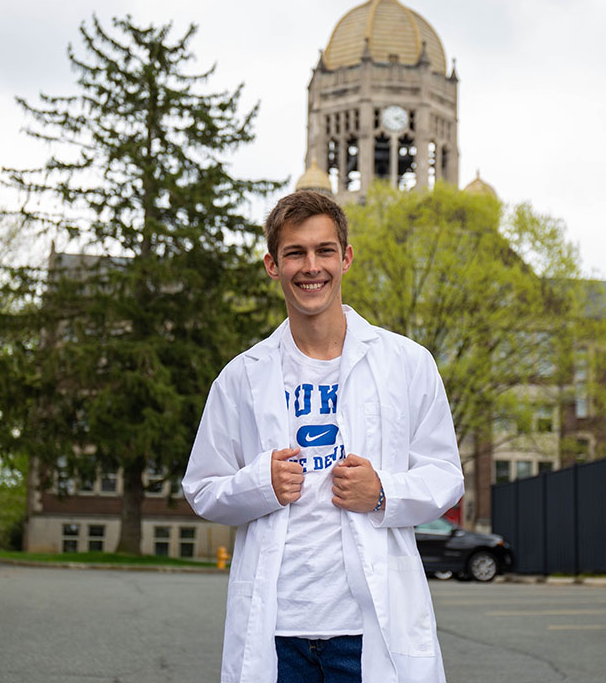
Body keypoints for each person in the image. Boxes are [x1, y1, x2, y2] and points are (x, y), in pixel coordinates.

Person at [183, 190, 464, 683]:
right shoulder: (242, 376)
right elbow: (202, 487)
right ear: (273, 265)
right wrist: (259, 485)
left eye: (324, 251)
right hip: (277, 632)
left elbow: (445, 476)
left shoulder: (406, 364)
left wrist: (383, 492)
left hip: (366, 629)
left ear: (346, 258)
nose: (311, 266)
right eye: (295, 253)